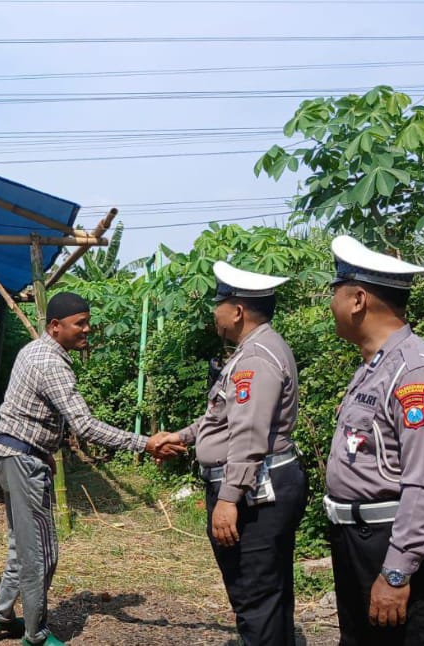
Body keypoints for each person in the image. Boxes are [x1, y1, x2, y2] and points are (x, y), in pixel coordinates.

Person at [0, 292, 181, 646]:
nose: (87, 329)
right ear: (56, 326)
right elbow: (85, 426)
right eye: (80, 323)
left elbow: (29, 414)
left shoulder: (35, 350)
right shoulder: (51, 362)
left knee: (21, 546)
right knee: (41, 552)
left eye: (88, 322)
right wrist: (145, 443)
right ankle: (36, 635)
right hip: (21, 460)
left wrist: (42, 451)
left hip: (13, 455)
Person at [152, 261, 308, 645]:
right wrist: (185, 437)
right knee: (267, 592)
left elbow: (249, 435)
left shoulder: (256, 359)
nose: (213, 313)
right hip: (259, 484)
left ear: (237, 311)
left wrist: (228, 498)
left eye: (217, 304)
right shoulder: (253, 350)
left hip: (257, 491)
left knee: (253, 592)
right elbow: (224, 417)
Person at [322, 235, 424, 645]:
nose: (330, 305)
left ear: (358, 300)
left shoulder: (417, 373)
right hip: (361, 542)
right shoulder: (374, 367)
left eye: (335, 293)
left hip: (395, 544)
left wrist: (397, 571)